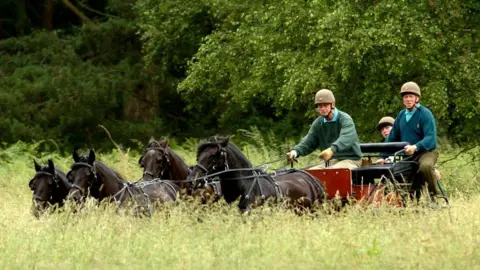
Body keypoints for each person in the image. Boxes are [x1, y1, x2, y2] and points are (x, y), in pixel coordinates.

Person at [376, 82, 440, 195]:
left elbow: (430, 137)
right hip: (407, 154)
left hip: (426, 152)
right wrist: (383, 156)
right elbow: (392, 138)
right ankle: (400, 197)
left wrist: (416, 147)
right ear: (403, 99)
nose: (408, 99)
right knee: (388, 167)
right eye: (406, 97)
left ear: (417, 98)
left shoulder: (425, 114)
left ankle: (433, 196)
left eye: (411, 96)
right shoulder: (401, 115)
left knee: (425, 167)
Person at [286, 89, 362, 169]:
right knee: (310, 174)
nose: (322, 108)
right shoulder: (318, 123)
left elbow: (346, 138)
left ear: (332, 105)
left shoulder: (345, 119)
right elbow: (308, 142)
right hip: (330, 161)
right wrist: (295, 152)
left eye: (325, 105)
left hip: (351, 160)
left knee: (332, 172)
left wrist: (332, 149)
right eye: (320, 106)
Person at [376, 116, 441, 179]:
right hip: (397, 171)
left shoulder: (405, 137)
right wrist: (382, 159)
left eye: (387, 127)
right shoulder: (386, 144)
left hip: (412, 165)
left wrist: (390, 160)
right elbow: (383, 154)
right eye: (382, 129)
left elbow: (413, 154)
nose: (384, 131)